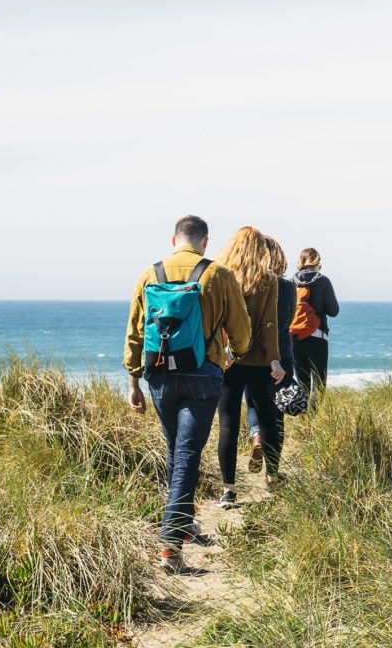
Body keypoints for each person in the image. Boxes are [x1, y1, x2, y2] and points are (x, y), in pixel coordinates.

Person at [124, 215, 252, 573]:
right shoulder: (218, 274)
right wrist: (236, 354)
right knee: (186, 454)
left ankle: (184, 525)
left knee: (177, 450)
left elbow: (135, 332)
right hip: (203, 374)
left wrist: (134, 381)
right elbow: (240, 330)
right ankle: (169, 543)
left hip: (160, 376)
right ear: (205, 242)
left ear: (173, 239)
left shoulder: (149, 275)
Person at [214, 226, 286, 508]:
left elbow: (216, 318)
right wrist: (275, 358)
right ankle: (272, 476)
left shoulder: (220, 275)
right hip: (258, 359)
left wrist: (221, 352)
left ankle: (228, 490)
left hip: (228, 360)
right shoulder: (268, 279)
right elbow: (270, 323)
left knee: (228, 423)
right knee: (269, 417)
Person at [246, 236, 295, 473]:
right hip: (283, 353)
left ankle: (256, 437)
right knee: (277, 412)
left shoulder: (250, 284)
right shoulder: (287, 287)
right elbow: (291, 318)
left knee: (254, 404)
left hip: (253, 354)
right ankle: (273, 472)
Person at [292, 247, 339, 400]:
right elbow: (333, 311)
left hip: (295, 336)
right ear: (317, 262)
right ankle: (313, 420)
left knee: (302, 383)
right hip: (318, 337)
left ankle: (304, 419)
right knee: (319, 383)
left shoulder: (291, 281)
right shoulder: (323, 281)